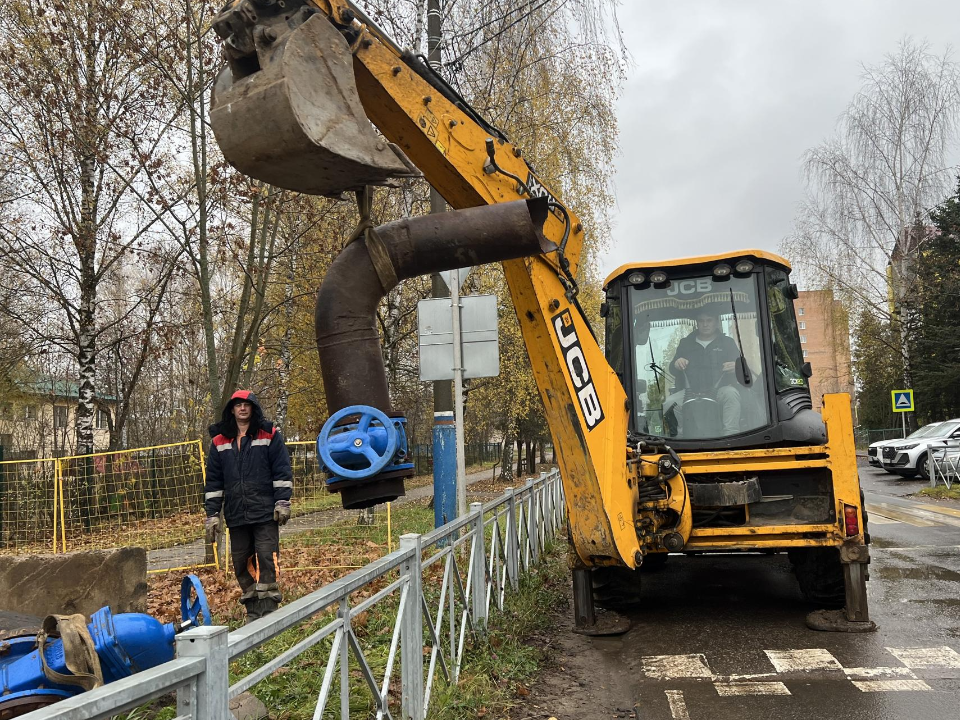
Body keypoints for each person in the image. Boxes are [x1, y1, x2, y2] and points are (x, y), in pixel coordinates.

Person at [204, 390, 293, 621]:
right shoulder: (219, 441)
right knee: (241, 561)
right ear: (231, 410)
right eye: (238, 405)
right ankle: (253, 611)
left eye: (246, 405)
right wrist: (212, 514)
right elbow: (214, 481)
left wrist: (282, 501)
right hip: (236, 514)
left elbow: (282, 470)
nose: (242, 409)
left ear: (253, 408)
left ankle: (269, 611)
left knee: (265, 556)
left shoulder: (269, 435)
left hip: (265, 511)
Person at [664, 309, 742, 436]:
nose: (705, 324)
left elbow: (742, 368)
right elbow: (672, 368)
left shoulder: (727, 342)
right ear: (697, 323)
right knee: (669, 403)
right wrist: (677, 364)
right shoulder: (685, 343)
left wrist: (736, 366)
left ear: (716, 322)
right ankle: (679, 439)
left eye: (709, 320)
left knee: (732, 394)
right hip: (690, 392)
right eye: (701, 321)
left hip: (719, 391)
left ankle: (731, 436)